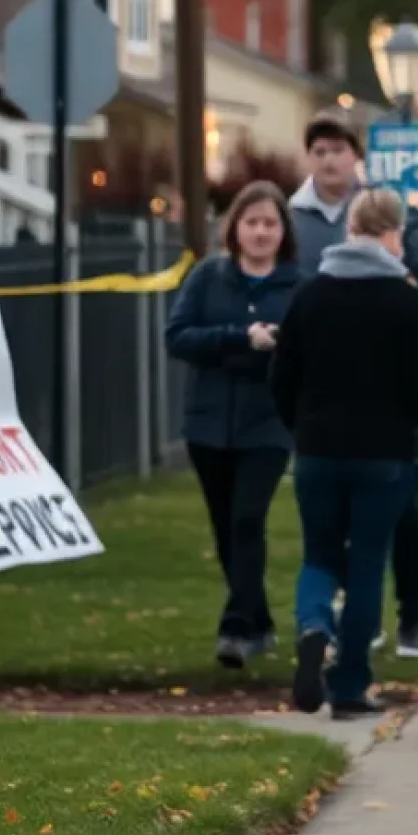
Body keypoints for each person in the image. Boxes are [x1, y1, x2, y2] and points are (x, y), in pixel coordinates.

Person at [271, 187, 418, 721]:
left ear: (350, 231)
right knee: (369, 564)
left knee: (320, 554)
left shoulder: (310, 295)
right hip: (385, 455)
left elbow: (281, 376)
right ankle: (350, 687)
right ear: (393, 235)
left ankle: (313, 625)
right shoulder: (403, 301)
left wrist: (300, 427)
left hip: (318, 451)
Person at [291, 110, 418, 660]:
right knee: (343, 529)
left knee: (404, 514)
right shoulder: (294, 218)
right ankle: (358, 636)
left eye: (338, 148)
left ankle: (409, 616)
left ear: (356, 156)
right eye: (319, 150)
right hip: (329, 389)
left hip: (395, 386)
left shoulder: (394, 211)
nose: (329, 159)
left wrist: (402, 321)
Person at [165, 180, 301, 669]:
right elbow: (179, 337)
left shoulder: (298, 287)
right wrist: (239, 338)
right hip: (209, 423)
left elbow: (311, 351)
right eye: (252, 223)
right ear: (235, 229)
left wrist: (278, 345)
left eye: (270, 223)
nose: (261, 232)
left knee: (248, 519)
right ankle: (259, 618)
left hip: (267, 424)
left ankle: (236, 628)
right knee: (225, 528)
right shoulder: (208, 278)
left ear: (283, 231)